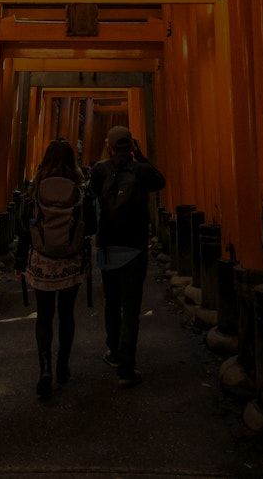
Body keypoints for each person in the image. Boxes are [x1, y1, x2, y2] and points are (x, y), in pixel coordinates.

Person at [15, 139, 97, 399]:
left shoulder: (35, 189)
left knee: (44, 315)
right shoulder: (81, 190)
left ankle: (45, 368)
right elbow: (92, 226)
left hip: (42, 260)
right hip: (71, 261)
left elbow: (24, 228)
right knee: (67, 314)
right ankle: (63, 365)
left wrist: (19, 262)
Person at [88, 126, 166, 388]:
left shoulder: (99, 171)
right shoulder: (141, 170)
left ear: (109, 146)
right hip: (134, 246)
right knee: (131, 308)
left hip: (108, 245)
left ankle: (113, 351)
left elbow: (92, 196)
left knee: (112, 302)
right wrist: (140, 156)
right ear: (131, 145)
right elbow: (160, 182)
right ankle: (126, 367)